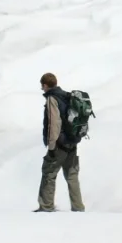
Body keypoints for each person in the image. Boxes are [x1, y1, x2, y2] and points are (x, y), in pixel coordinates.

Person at [35, 73, 85, 213]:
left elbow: (54, 123)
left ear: (45, 85)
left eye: (42, 86)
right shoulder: (66, 96)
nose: (42, 89)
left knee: (49, 173)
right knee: (72, 175)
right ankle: (78, 208)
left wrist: (51, 146)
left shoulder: (53, 98)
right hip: (72, 142)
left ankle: (46, 207)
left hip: (59, 144)